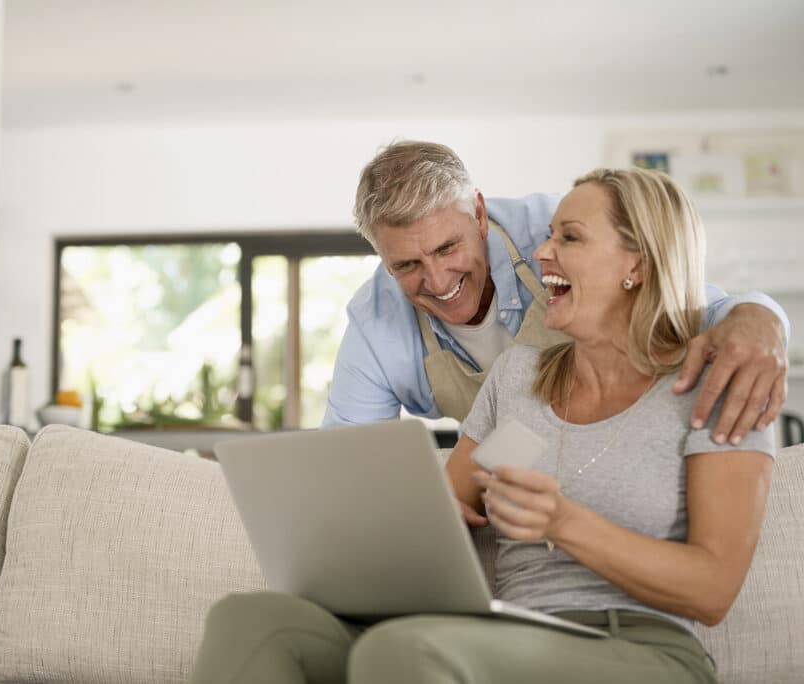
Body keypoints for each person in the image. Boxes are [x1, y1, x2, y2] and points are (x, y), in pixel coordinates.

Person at [189, 167, 775, 683]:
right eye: (549, 235)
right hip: (502, 632)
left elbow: (713, 589)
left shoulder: (721, 383)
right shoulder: (519, 378)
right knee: (251, 620)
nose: (542, 252)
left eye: (568, 237)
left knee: (407, 649)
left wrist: (564, 522)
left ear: (636, 265)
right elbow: (446, 507)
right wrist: (417, 525)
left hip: (638, 645)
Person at [323, 141, 789, 453]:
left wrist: (758, 317)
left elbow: (685, 305)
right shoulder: (377, 322)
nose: (438, 278)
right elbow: (349, 465)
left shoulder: (559, 230)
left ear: (479, 214)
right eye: (406, 265)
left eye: (448, 247)